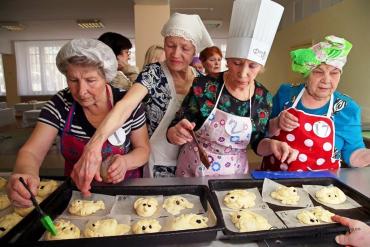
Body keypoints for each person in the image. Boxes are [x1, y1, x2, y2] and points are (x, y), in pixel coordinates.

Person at [72, 13, 214, 195]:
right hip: (156, 159)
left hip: (191, 161)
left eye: (185, 48)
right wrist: (94, 145)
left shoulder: (201, 81)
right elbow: (126, 105)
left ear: (194, 51)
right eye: (170, 45)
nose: (176, 54)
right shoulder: (153, 74)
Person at [7, 39, 149, 207]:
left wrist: (126, 162)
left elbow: (143, 149)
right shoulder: (60, 105)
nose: (81, 91)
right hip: (77, 196)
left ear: (106, 77)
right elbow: (32, 151)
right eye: (73, 80)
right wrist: (25, 173)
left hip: (126, 194)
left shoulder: (127, 103)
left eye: (91, 80)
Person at [167, 0, 296, 176]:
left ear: (261, 67)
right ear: (228, 60)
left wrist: (272, 145)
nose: (243, 74)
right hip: (194, 169)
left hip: (234, 172)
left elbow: (257, 143)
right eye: (237, 63)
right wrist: (175, 133)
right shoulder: (205, 86)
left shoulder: (263, 97)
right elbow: (177, 125)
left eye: (252, 66)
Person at [262, 35, 370, 171]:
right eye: (318, 72)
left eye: (334, 73)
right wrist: (277, 123)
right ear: (307, 74)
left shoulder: (348, 108)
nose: (326, 80)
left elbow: (353, 155)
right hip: (276, 183)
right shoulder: (286, 94)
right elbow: (261, 136)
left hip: (323, 188)